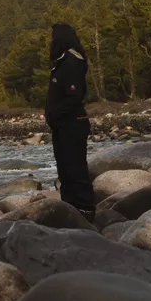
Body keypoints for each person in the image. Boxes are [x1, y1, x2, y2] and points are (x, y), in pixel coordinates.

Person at [46, 23, 96, 220]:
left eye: (53, 37)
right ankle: (69, 208)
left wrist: (55, 114)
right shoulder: (62, 62)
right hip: (62, 125)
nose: (51, 42)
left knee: (75, 168)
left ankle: (85, 209)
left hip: (72, 123)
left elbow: (74, 96)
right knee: (65, 169)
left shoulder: (72, 61)